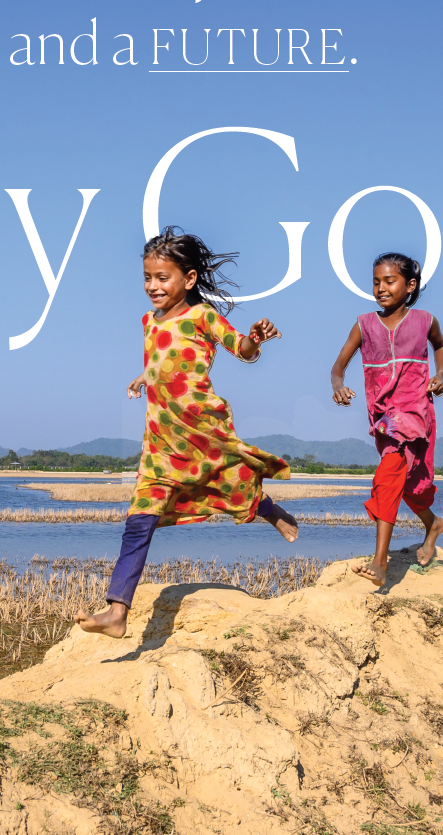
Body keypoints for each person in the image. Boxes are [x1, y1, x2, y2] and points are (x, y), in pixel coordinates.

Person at [76, 227, 298, 638]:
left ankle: (270, 511)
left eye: (162, 278)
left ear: (189, 279)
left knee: (234, 484)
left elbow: (243, 352)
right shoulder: (148, 321)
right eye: (147, 277)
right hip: (161, 440)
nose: (152, 286)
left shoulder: (203, 316)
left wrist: (255, 339)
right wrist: (146, 376)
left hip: (202, 431)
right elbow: (164, 357)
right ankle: (116, 612)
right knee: (138, 520)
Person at [330, 252, 443, 586]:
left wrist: (439, 374)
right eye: (376, 281)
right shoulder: (364, 324)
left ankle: (380, 562)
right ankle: (434, 524)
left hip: (414, 412)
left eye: (389, 281)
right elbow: (338, 365)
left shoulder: (425, 320)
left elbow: (440, 346)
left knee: (390, 473)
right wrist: (338, 385)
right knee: (409, 486)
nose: (380, 288)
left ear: (410, 286)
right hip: (382, 417)